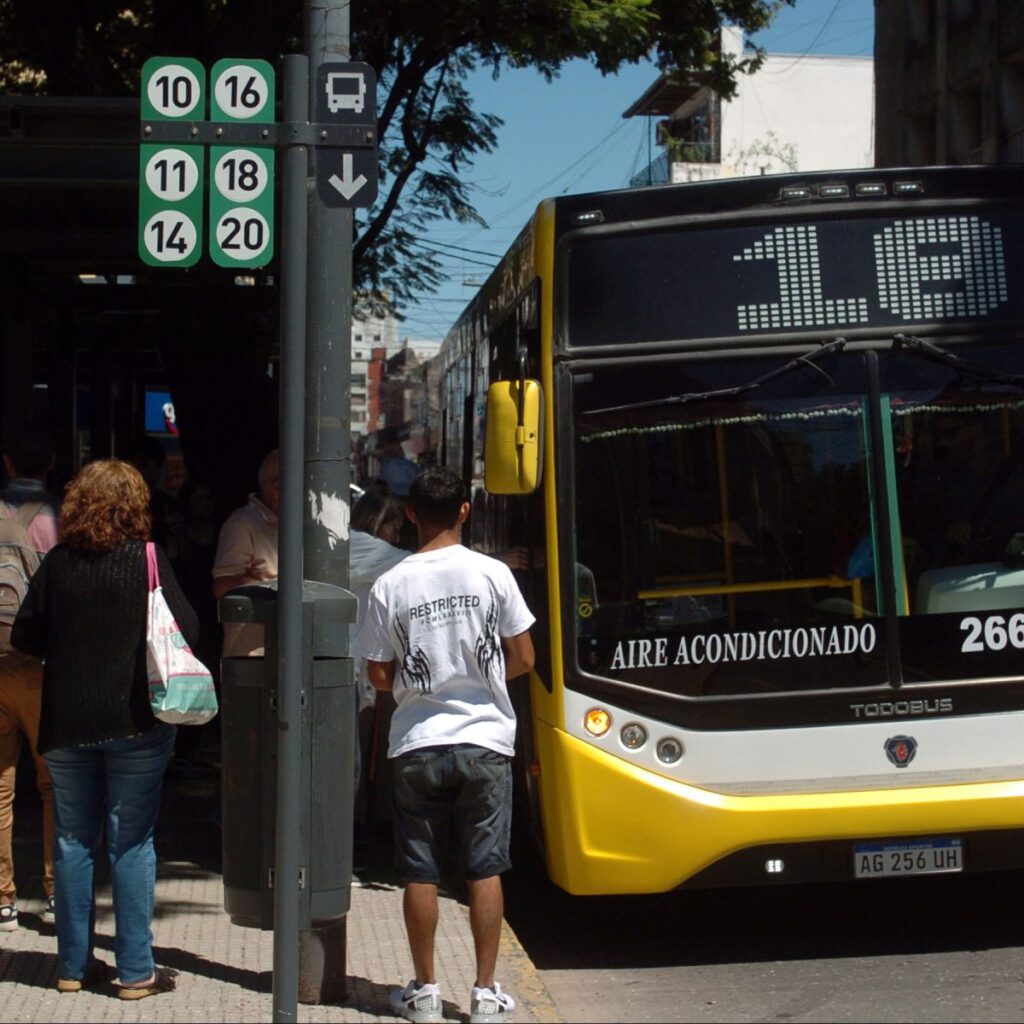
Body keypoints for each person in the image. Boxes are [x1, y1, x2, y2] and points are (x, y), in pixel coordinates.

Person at [10, 458, 197, 999]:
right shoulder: (147, 559)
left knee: (72, 839)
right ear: (136, 507)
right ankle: (135, 972)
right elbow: (188, 626)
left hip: (67, 724)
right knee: (131, 841)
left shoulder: (58, 564)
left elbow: (25, 636)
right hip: (136, 720)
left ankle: (72, 966)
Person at [359, 467, 535, 1024]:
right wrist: (479, 681)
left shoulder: (391, 583)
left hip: (416, 742)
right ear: (464, 511)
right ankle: (485, 995)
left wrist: (421, 685)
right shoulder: (493, 573)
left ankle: (425, 993)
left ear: (411, 514)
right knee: (486, 868)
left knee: (420, 871)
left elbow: (377, 673)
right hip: (485, 740)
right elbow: (525, 657)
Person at [0, 435, 59, 930]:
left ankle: (2, 897)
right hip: (38, 660)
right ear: (53, 462)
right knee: (54, 782)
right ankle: (57, 890)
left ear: (7, 462)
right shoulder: (56, 517)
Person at [211, 449, 279, 657]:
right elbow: (222, 586)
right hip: (255, 655)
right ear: (276, 487)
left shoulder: (301, 521)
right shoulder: (242, 524)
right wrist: (269, 585)